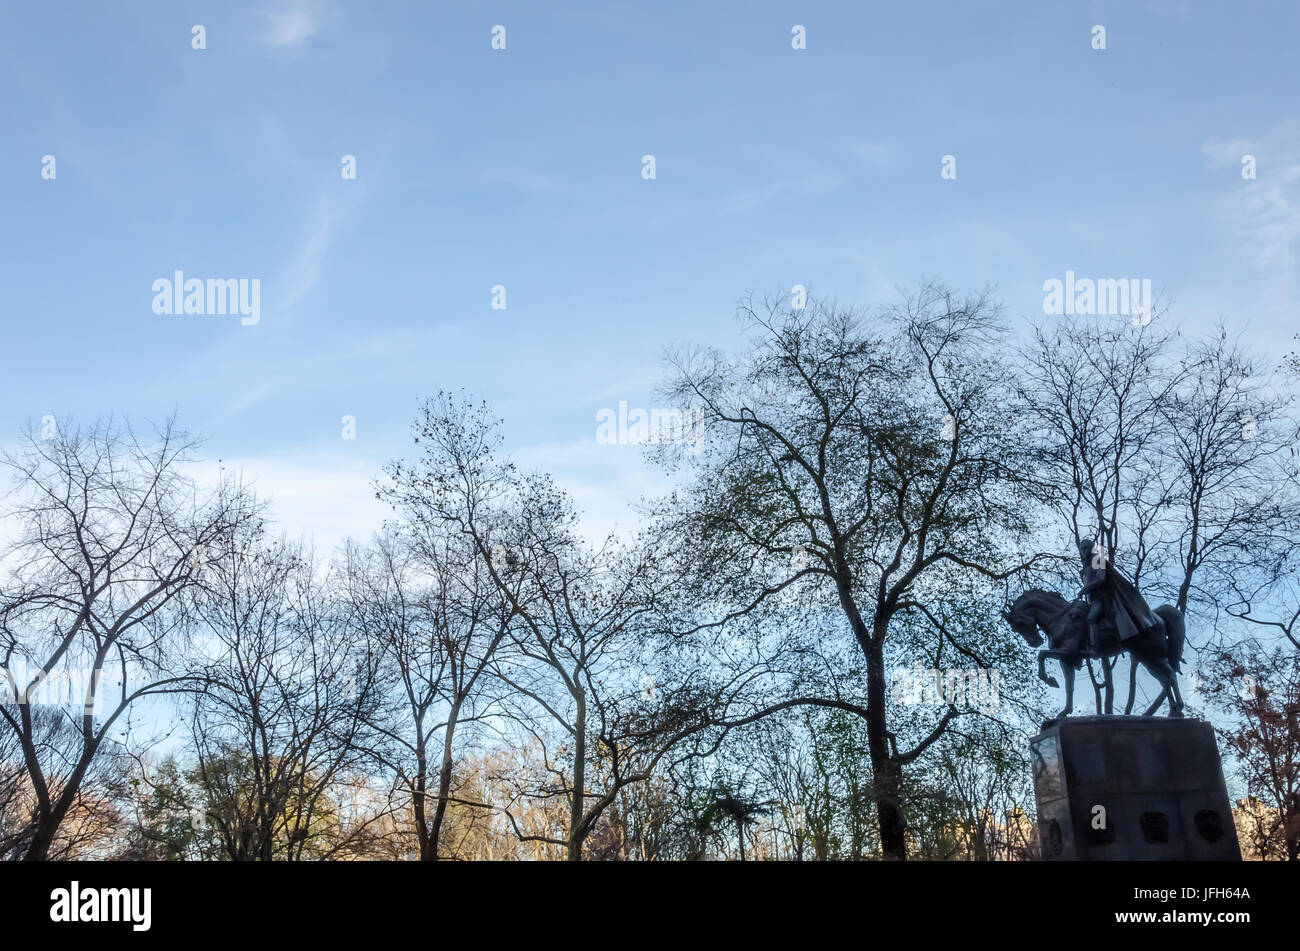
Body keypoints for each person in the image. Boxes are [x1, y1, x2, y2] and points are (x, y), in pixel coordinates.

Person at [1078, 538, 1158, 653]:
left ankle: (1094, 648)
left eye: (1085, 548)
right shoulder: (1087, 567)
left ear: (1091, 549)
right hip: (1093, 600)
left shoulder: (1097, 560)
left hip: (1103, 598)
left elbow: (1101, 578)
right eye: (1081, 549)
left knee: (1091, 619)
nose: (1083, 552)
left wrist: (1086, 588)